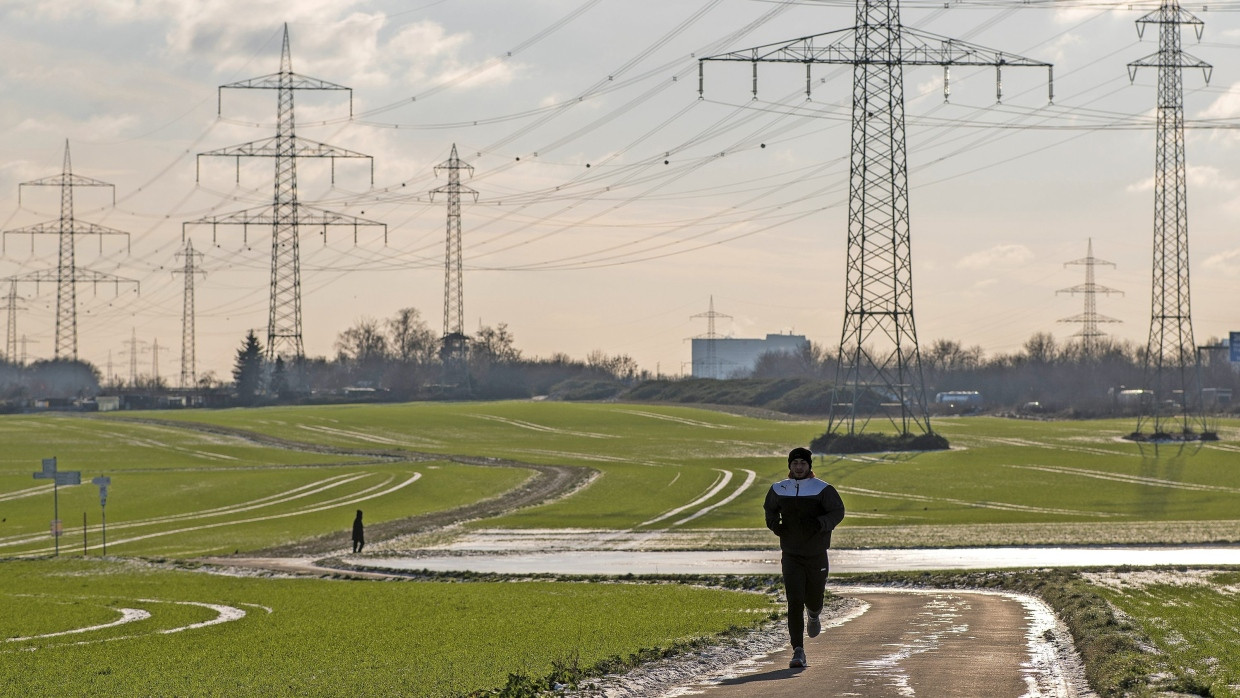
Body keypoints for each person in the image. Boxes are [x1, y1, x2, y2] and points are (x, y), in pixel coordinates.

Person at [763, 446, 846, 669]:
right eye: (795, 463)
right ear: (789, 465)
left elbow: (837, 511)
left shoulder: (823, 489)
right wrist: (775, 525)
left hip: (816, 553)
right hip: (791, 554)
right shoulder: (779, 488)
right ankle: (798, 650)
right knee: (794, 600)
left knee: (813, 598)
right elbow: (770, 510)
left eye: (802, 463)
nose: (798, 467)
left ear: (809, 466)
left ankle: (815, 613)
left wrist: (821, 524)